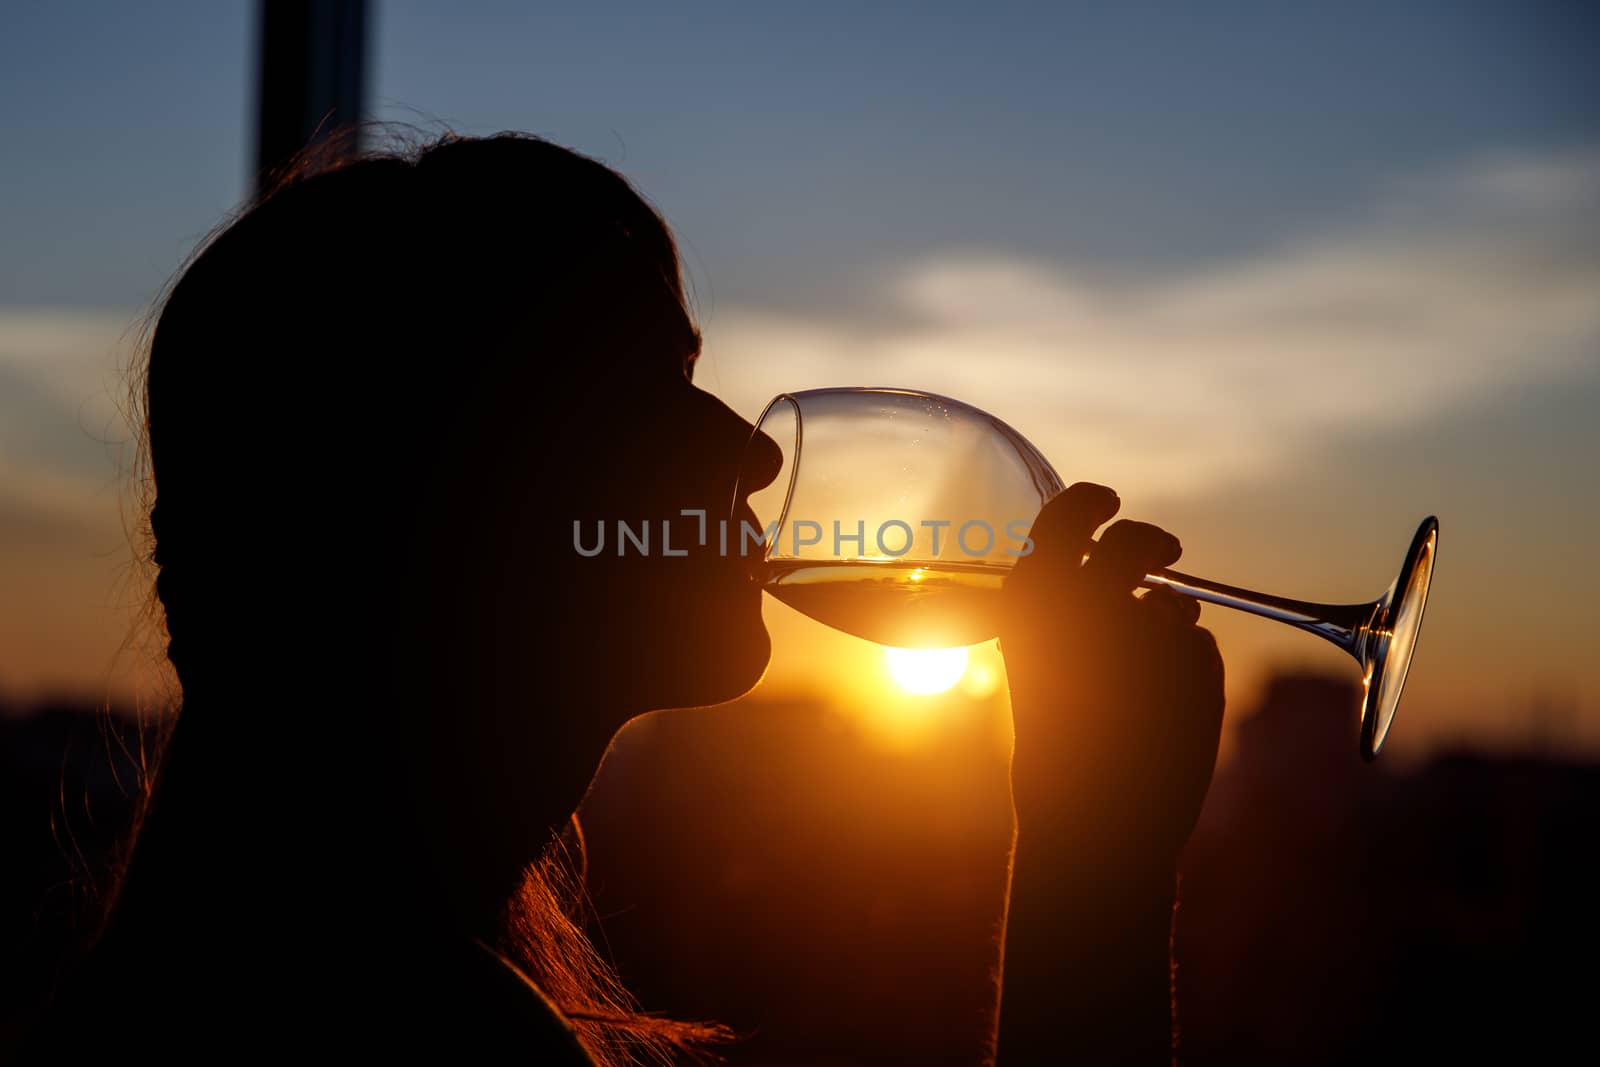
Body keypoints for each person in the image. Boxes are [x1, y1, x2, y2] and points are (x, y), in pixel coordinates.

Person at [27, 133, 1224, 1065]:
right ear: (441, 489)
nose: (751, 457)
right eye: (636, 390)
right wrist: (1094, 872)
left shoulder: (241, 975)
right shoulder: (396, 1026)